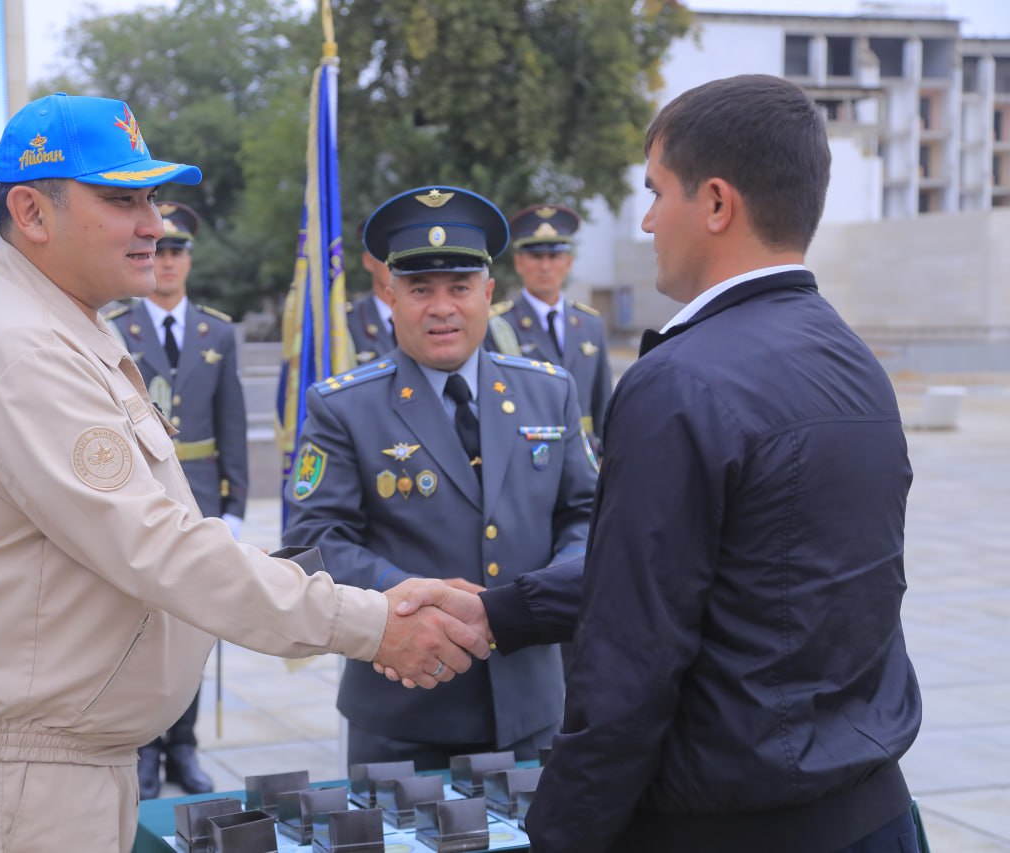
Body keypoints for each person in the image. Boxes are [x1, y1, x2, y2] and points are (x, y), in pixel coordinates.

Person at [0, 93, 488, 853]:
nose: (153, 226)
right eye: (120, 199)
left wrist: (369, 602)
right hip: (19, 782)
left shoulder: (61, 329)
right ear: (32, 213)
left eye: (152, 200)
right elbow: (161, 549)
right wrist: (368, 624)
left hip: (53, 765)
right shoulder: (23, 352)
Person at [514, 75, 921, 852]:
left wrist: (561, 833)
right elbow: (747, 574)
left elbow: (631, 659)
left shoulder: (681, 379)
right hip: (873, 814)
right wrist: (507, 609)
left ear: (716, 204)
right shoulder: (852, 359)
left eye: (656, 190)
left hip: (732, 827)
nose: (646, 219)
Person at [281, 186, 596, 770]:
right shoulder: (343, 407)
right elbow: (315, 540)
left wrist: (534, 601)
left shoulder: (549, 392)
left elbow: (589, 515)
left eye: (459, 287)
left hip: (533, 704)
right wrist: (420, 600)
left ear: (489, 293)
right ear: (390, 296)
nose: (442, 307)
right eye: (420, 289)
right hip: (404, 709)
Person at [103, 201, 244, 797]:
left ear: (190, 258)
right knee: (141, 619)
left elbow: (231, 419)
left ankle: (183, 746)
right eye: (159, 249)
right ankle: (145, 747)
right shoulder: (114, 324)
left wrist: (236, 502)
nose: (167, 260)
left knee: (196, 621)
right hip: (143, 489)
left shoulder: (218, 329)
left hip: (204, 488)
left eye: (178, 250)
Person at [487, 203, 612, 452]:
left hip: (584, 453)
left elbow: (603, 402)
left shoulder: (591, 325)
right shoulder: (498, 325)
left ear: (568, 262)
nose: (545, 266)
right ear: (519, 263)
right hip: (525, 452)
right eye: (536, 256)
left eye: (554, 256)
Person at [346, 221, 395, 364]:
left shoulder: (430, 315)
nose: (397, 266)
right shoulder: (346, 323)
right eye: (389, 257)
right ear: (368, 261)